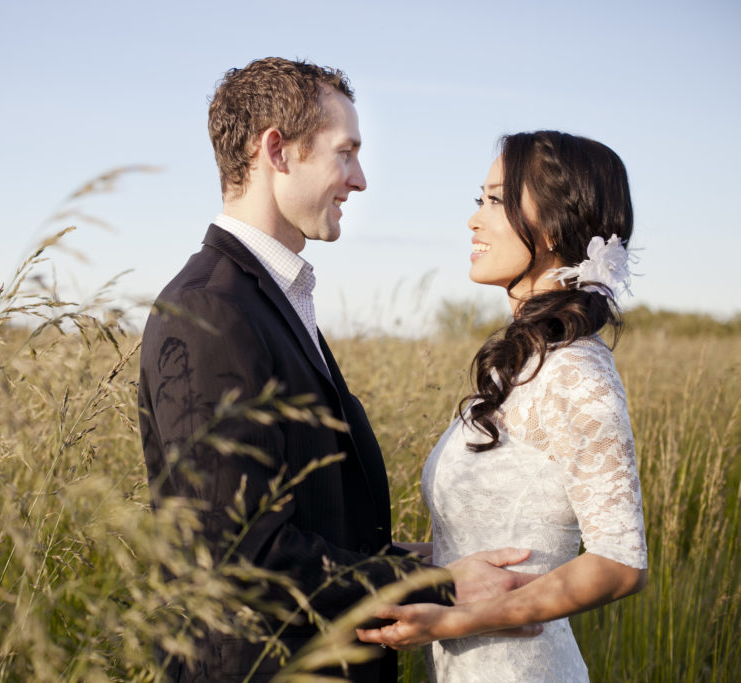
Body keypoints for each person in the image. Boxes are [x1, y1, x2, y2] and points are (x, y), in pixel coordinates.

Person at [137, 58, 532, 682]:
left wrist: (405, 556)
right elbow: (243, 554)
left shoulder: (271, 297)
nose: (360, 179)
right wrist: (435, 583)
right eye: (345, 153)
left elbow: (301, 512)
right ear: (278, 151)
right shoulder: (210, 309)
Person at [356, 131, 648, 681]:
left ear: (556, 225)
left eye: (495, 200)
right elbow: (478, 548)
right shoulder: (517, 365)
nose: (474, 220)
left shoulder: (576, 371)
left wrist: (449, 623)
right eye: (480, 200)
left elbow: (620, 563)